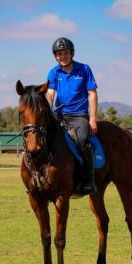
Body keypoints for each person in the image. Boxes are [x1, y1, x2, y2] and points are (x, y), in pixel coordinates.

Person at [46, 37, 98, 194]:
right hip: (59, 115)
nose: (63, 56)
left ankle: (89, 179)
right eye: (59, 54)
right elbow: (50, 94)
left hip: (79, 115)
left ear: (72, 53)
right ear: (56, 56)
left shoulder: (84, 69)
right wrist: (47, 111)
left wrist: (93, 118)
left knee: (82, 139)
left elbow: (92, 94)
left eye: (66, 53)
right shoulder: (53, 72)